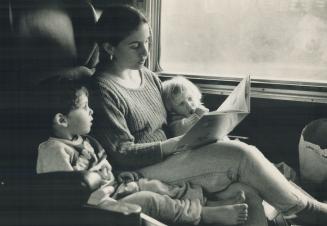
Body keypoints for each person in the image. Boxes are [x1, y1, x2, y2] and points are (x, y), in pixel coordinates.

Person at [89, 4, 327, 225]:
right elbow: (122, 153)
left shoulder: (148, 76)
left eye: (148, 42)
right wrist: (174, 145)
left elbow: (167, 121)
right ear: (110, 48)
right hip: (140, 171)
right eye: (135, 46)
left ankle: (307, 208)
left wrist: (197, 125)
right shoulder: (102, 90)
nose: (146, 52)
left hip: (173, 153)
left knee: (245, 189)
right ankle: (310, 212)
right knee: (241, 155)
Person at [35, 79, 249, 225]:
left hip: (116, 189)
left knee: (154, 185)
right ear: (62, 119)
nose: (91, 111)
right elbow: (65, 195)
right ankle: (204, 214)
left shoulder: (87, 140)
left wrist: (124, 178)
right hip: (101, 207)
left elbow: (104, 169)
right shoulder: (53, 150)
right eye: (84, 107)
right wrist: (109, 194)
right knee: (149, 199)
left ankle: (208, 203)